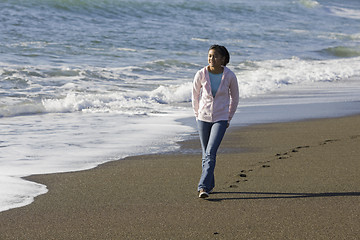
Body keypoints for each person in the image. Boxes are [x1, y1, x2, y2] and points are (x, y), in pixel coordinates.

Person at [192, 45, 239, 198]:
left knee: (211, 152)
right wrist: (197, 115)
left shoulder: (230, 76)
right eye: (210, 56)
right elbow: (194, 95)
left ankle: (203, 187)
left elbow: (235, 98)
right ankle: (210, 184)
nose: (211, 59)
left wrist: (228, 117)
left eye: (215, 56)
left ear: (223, 59)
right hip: (203, 118)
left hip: (221, 118)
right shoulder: (201, 74)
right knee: (206, 153)